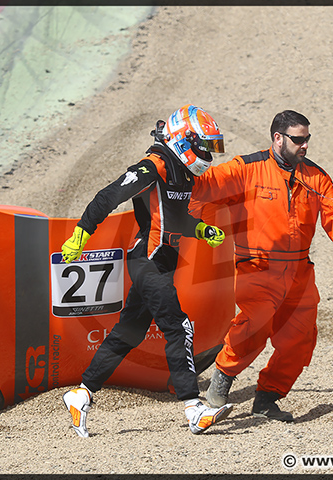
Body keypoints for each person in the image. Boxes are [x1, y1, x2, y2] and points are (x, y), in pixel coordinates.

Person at [61, 105, 234, 437]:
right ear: (185, 140)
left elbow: (175, 217)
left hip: (163, 261)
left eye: (212, 147)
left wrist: (200, 230)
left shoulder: (182, 172)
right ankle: (193, 407)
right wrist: (82, 233)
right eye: (205, 146)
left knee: (128, 333)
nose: (209, 154)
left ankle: (81, 394)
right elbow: (107, 196)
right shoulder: (153, 166)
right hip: (147, 260)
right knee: (178, 326)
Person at [189, 110, 333, 422]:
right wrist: (172, 164)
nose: (305, 145)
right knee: (253, 329)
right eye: (298, 139)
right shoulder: (246, 168)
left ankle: (267, 399)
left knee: (299, 341)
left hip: (299, 272)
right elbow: (203, 187)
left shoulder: (316, 177)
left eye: (307, 139)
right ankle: (219, 384)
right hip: (256, 268)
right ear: (278, 138)